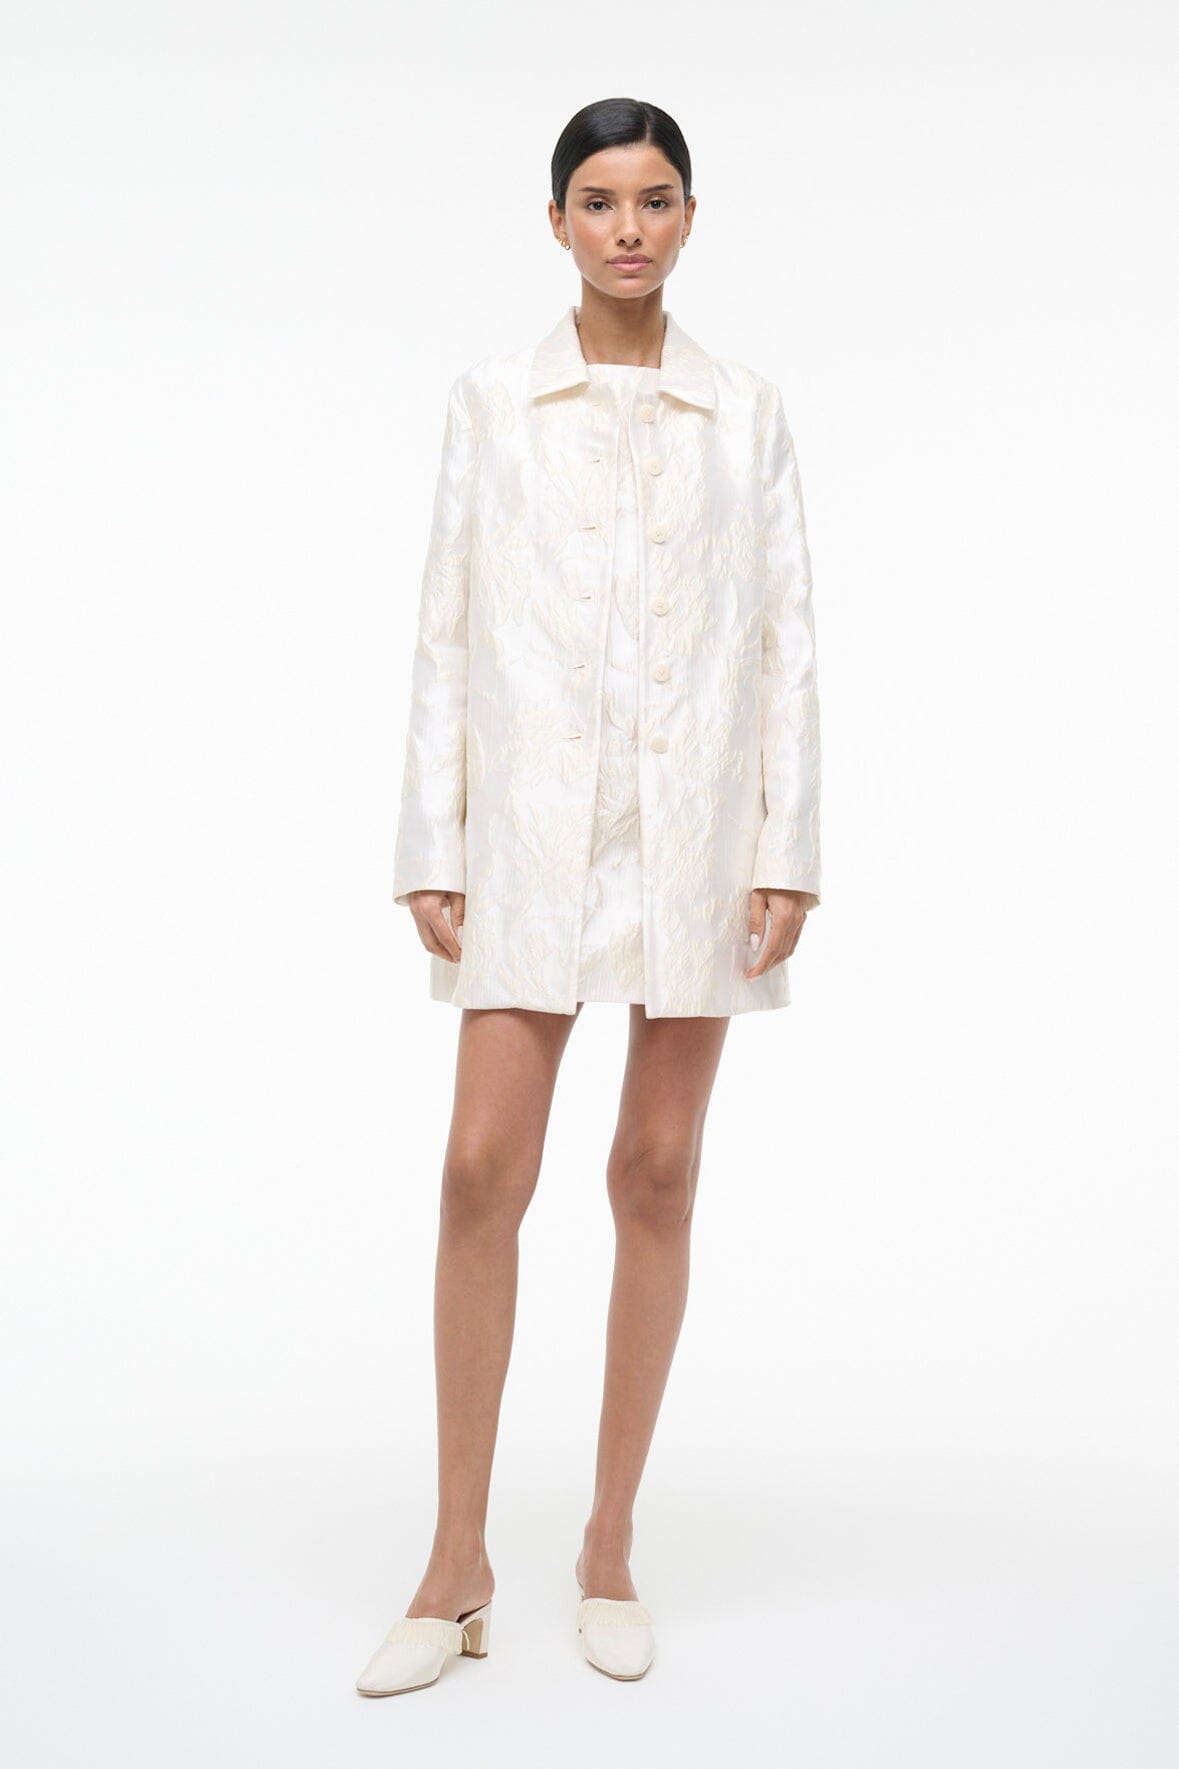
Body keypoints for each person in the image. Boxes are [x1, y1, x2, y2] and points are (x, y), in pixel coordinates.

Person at [356, 95, 822, 1697]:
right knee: (481, 1169)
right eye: (602, 199)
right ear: (555, 220)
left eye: (657, 198)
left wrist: (787, 845)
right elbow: (444, 620)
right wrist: (433, 839)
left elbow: (789, 641)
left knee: (659, 1170)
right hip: (533, 826)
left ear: (691, 217)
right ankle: (456, 1562)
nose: (630, 226)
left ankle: (608, 1544)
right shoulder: (494, 402)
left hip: (696, 825)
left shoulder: (747, 414)